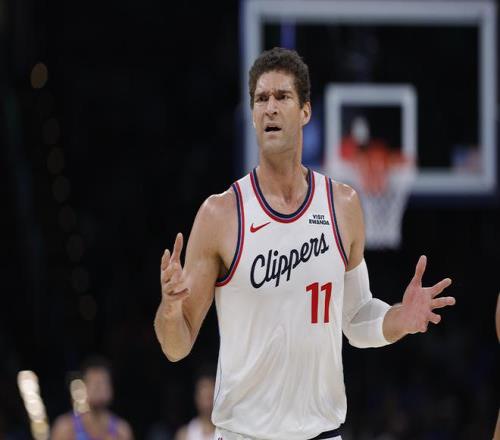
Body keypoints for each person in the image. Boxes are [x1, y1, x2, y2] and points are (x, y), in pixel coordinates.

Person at [154, 47, 456, 440]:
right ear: (252, 115)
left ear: (305, 111)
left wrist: (401, 318)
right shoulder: (221, 214)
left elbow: (356, 317)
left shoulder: (342, 204)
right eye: (261, 99)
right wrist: (170, 308)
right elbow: (176, 346)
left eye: (282, 97)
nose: (270, 108)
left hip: (322, 433)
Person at [52, 356, 134, 440]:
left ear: (111, 388)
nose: (98, 390)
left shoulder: (121, 430)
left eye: (102, 383)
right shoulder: (65, 427)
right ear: (84, 388)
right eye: (94, 384)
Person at [174, 369, 216, 440]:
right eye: (204, 397)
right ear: (196, 398)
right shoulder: (184, 434)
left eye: (210, 397)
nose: (207, 404)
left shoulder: (228, 433)